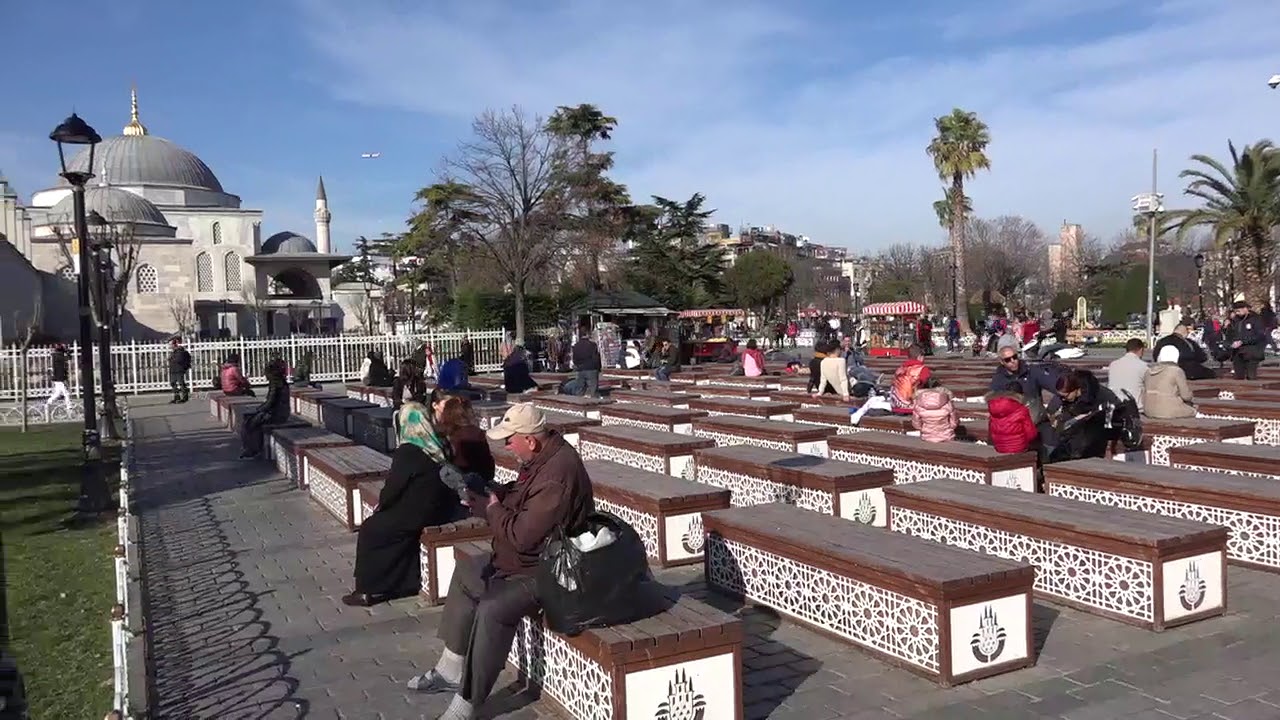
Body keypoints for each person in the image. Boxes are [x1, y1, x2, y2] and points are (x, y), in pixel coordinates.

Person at [407, 403, 593, 719]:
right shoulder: (540, 458)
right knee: (468, 572)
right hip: (524, 558)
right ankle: (451, 669)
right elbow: (521, 498)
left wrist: (492, 507)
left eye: (510, 439)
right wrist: (490, 492)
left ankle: (468, 702)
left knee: (494, 608)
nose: (506, 445)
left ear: (530, 440)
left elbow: (522, 536)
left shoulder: (558, 474)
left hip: (550, 569)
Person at [343, 401, 466, 607]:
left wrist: (382, 505)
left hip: (416, 512)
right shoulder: (436, 444)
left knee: (371, 530)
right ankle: (406, 581)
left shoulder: (409, 450)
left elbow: (394, 487)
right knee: (397, 533)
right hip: (437, 508)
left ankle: (366, 589)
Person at [1045, 370, 1112, 462]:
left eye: (1065, 396)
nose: (1063, 399)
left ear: (1076, 390)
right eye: (1060, 396)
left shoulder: (1096, 398)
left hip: (1089, 443)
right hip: (1072, 441)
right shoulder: (1069, 399)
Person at [239, 360, 290, 459]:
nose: (264, 375)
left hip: (276, 414)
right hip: (280, 412)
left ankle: (252, 449)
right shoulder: (279, 382)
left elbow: (270, 402)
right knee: (252, 421)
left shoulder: (275, 384)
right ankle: (253, 447)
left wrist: (259, 410)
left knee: (250, 423)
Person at [987, 380, 1040, 454]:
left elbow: (990, 430)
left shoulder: (994, 408)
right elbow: (1031, 434)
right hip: (1019, 448)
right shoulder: (1021, 410)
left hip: (999, 447)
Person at [1144, 345, 1196, 419]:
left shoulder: (1148, 371)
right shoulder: (1176, 371)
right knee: (1193, 410)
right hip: (1168, 411)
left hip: (1148, 410)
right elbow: (1186, 396)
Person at [1225, 300, 1267, 380]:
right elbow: (1230, 335)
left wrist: (1243, 341)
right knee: (1238, 376)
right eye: (1235, 311)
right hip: (1237, 352)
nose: (1237, 313)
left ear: (1245, 308)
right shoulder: (1235, 321)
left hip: (1252, 351)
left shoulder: (1255, 319)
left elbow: (1259, 335)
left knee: (1251, 375)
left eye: (1238, 311)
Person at [1107, 338, 1149, 412]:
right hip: (1135, 407)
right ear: (1141, 350)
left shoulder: (1113, 364)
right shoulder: (1143, 366)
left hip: (1115, 405)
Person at [888, 344, 932, 415]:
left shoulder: (900, 369)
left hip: (896, 406)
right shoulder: (922, 369)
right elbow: (925, 385)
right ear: (920, 357)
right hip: (912, 407)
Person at [571, 326, 602, 397]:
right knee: (593, 390)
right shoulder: (592, 345)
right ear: (588, 334)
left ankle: (579, 404)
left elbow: (574, 358)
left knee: (579, 390)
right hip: (591, 369)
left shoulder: (576, 346)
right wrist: (598, 368)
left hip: (580, 369)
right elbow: (596, 358)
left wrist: (578, 366)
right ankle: (594, 403)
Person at [45, 343, 72, 411]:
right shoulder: (59, 355)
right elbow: (68, 357)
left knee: (58, 393)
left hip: (58, 377)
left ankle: (48, 403)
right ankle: (69, 407)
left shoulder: (56, 355)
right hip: (60, 377)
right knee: (66, 393)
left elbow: (68, 358)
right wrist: (67, 351)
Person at [167, 337, 192, 404]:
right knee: (173, 383)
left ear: (174, 344)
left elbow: (178, 360)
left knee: (181, 383)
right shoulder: (173, 352)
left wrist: (171, 359)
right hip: (173, 370)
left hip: (179, 370)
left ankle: (184, 397)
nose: (169, 346)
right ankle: (176, 397)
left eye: (170, 344)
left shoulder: (180, 351)